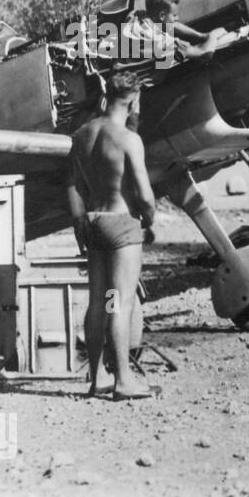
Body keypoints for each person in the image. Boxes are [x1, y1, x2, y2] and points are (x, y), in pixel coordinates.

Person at [67, 72, 157, 400]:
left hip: (94, 223)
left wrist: (80, 222)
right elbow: (145, 196)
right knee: (120, 302)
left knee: (100, 301)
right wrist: (149, 220)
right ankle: (123, 381)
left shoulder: (82, 135)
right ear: (132, 101)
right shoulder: (128, 139)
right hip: (121, 225)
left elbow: (75, 185)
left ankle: (98, 377)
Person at [121, 0, 227, 69]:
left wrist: (202, 36)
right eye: (174, 15)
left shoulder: (136, 15)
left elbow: (169, 25)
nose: (178, 18)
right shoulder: (164, 43)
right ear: (162, 16)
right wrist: (213, 35)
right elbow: (204, 55)